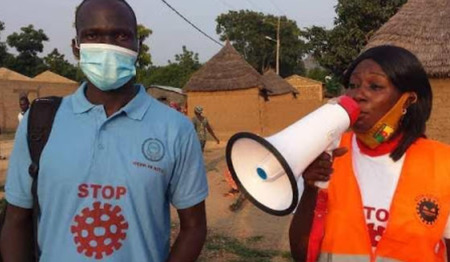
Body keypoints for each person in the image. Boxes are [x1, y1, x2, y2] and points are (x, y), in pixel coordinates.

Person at [0, 1, 208, 261]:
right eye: (93, 35)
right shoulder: (39, 121)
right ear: (76, 47)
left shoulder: (175, 128)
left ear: (137, 45)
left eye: (120, 35)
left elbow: (194, 226)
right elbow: (16, 219)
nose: (107, 46)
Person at [289, 45, 450, 262]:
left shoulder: (443, 164)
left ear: (408, 100)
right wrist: (310, 189)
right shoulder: (326, 155)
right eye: (353, 85)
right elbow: (301, 254)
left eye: (375, 86)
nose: (358, 95)